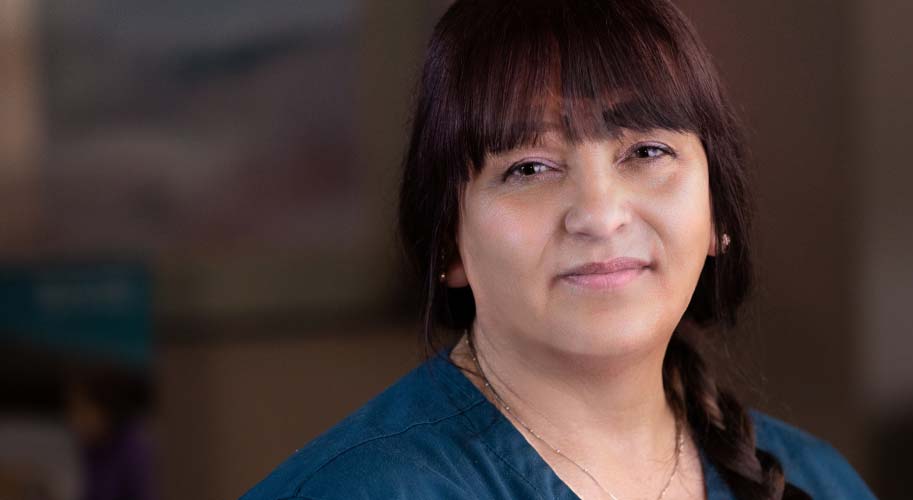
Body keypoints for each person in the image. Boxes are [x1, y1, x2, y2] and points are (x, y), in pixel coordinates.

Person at [241, 0, 874, 499]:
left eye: (646, 152)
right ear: (448, 244)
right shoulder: (365, 491)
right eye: (529, 168)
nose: (599, 215)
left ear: (717, 217)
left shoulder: (818, 483)